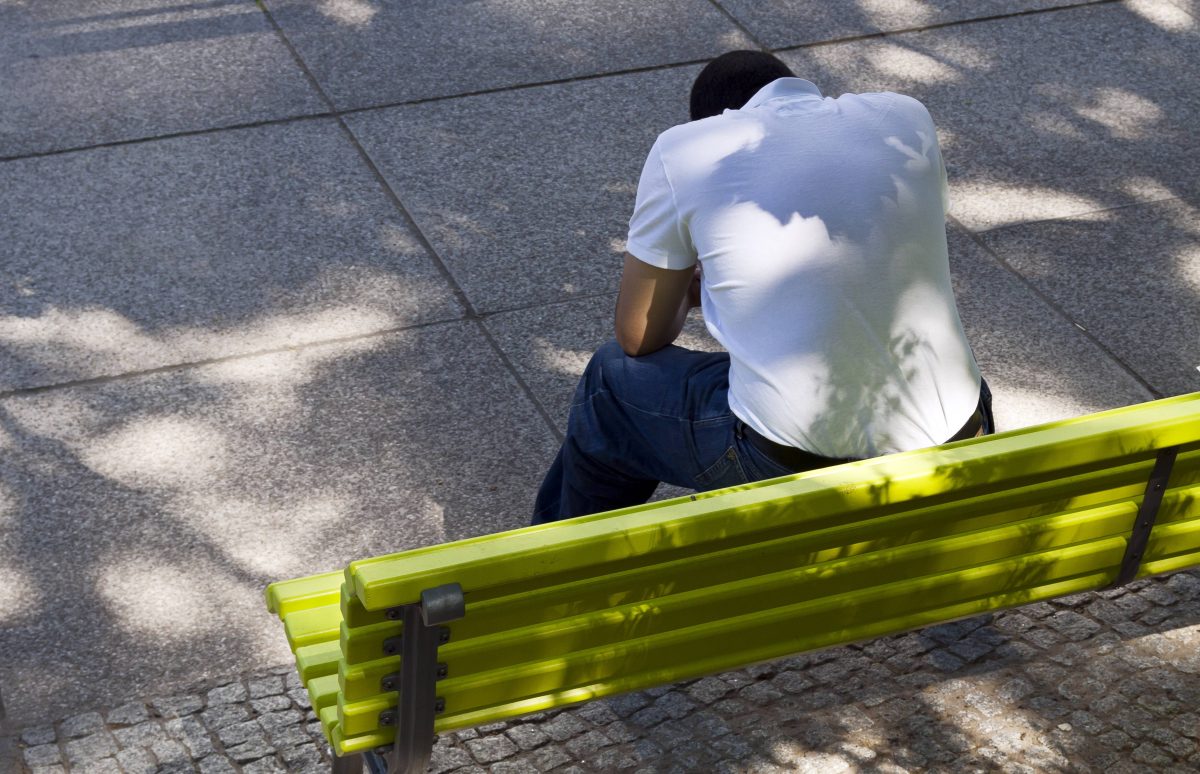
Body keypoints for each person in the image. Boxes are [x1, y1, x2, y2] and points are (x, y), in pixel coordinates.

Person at [532, 50, 992, 525]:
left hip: (789, 462)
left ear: (717, 121)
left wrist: (693, 289)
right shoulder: (905, 114)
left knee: (610, 384)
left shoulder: (684, 150)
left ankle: (559, 566)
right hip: (961, 433)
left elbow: (639, 335)